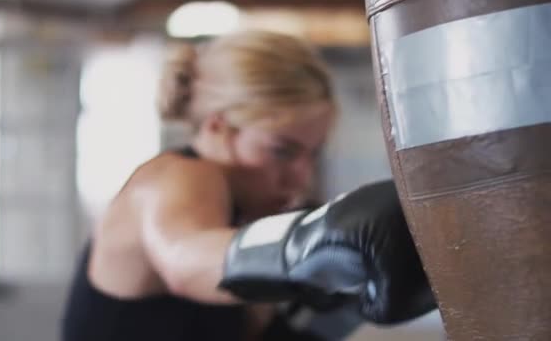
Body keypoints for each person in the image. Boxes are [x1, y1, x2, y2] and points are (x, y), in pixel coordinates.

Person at [61, 30, 435, 341]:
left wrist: (345, 301)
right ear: (218, 128)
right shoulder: (174, 178)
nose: (299, 176)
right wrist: (309, 246)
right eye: (282, 151)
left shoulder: (243, 226)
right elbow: (183, 260)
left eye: (312, 155)